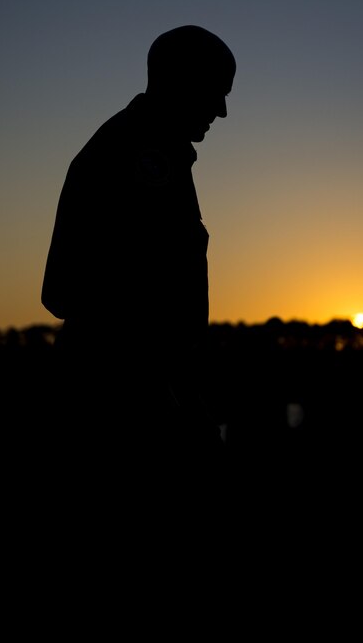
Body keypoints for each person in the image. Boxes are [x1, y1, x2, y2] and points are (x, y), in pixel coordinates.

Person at [41, 25, 235, 506]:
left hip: (147, 394)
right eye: (216, 92)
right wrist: (155, 392)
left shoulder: (155, 151)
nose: (222, 111)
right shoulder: (134, 154)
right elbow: (69, 290)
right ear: (181, 82)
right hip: (122, 410)